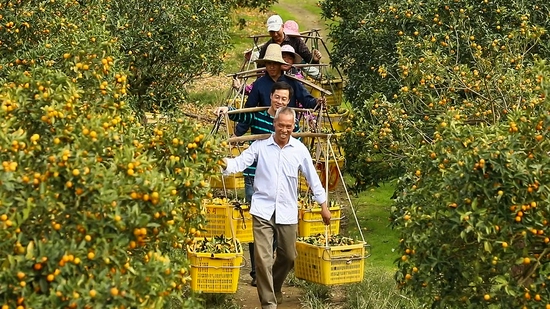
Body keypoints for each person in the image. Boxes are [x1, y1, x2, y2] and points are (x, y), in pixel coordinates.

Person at [221, 107, 331, 309]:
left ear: (293, 127)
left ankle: (275, 286)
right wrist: (224, 163)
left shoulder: (299, 150)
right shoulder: (260, 145)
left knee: (289, 256)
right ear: (274, 124)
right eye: (281, 125)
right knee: (262, 259)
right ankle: (268, 303)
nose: (284, 130)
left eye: (288, 126)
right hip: (262, 209)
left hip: (287, 211)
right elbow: (240, 162)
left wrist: (323, 205)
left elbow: (313, 179)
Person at [216, 82, 299, 287]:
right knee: (260, 228)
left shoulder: (288, 123)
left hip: (278, 182)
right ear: (270, 96)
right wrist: (227, 110)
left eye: (284, 99)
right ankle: (257, 272)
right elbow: (240, 115)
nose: (279, 101)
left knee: (280, 229)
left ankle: (271, 271)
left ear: (288, 101)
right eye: (277, 97)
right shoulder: (258, 114)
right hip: (254, 177)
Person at [235, 43, 324, 136]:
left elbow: (306, 100)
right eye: (269, 63)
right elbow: (249, 109)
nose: (272, 67)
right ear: (265, 64)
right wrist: (238, 132)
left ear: (280, 64)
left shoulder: (292, 82)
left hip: (286, 129)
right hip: (264, 130)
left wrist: (317, 102)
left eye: (275, 64)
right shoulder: (259, 84)